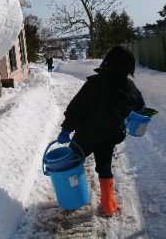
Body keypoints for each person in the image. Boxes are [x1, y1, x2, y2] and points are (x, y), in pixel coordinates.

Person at [57, 46, 145, 216]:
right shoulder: (129, 87)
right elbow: (140, 107)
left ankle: (72, 198)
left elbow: (77, 108)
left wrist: (66, 129)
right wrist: (140, 117)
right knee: (104, 167)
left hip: (86, 136)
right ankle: (109, 205)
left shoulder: (95, 84)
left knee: (72, 162)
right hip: (110, 136)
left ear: (108, 62)